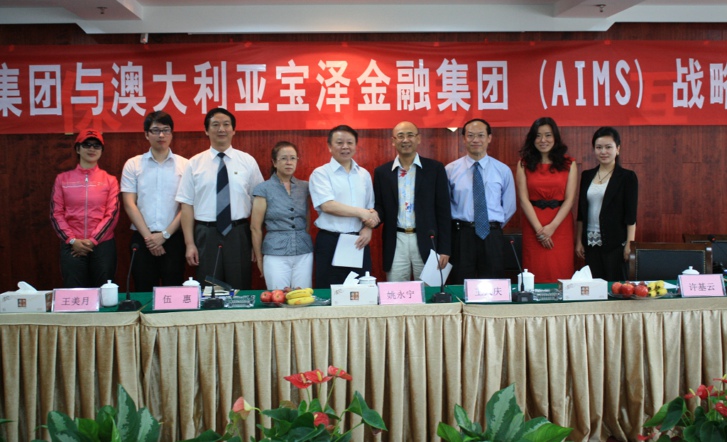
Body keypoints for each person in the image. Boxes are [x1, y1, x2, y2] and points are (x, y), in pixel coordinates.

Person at [175, 107, 264, 290]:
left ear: (233, 130)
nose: (221, 129)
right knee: (209, 290)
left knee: (239, 287)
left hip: (239, 233)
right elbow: (187, 205)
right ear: (206, 131)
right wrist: (189, 244)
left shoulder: (247, 161)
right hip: (206, 234)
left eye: (226, 124)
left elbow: (259, 203)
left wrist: (256, 244)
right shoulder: (194, 163)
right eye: (215, 125)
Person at [373, 121, 451, 282]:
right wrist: (370, 218)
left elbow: (443, 211)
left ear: (418, 138)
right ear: (393, 141)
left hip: (427, 241)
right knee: (396, 291)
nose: (405, 140)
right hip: (396, 241)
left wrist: (444, 249)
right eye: (400, 136)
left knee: (429, 290)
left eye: (410, 135)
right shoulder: (382, 172)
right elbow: (379, 206)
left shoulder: (435, 169)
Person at [120, 111, 189, 292]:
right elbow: (129, 204)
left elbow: (187, 206)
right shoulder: (133, 164)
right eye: (156, 130)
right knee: (143, 290)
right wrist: (149, 239)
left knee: (173, 293)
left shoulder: (185, 165)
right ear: (146, 134)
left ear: (172, 134)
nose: (161, 135)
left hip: (173, 239)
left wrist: (164, 235)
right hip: (142, 238)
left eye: (166, 130)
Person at [445, 118, 516, 283]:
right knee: (460, 282)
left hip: (492, 235)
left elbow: (509, 206)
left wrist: (490, 225)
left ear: (489, 138)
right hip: (461, 235)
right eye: (470, 135)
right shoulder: (450, 170)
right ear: (464, 139)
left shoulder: (502, 170)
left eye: (480, 135)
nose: (475, 140)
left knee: (493, 284)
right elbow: (445, 206)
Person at [309, 125, 379, 288]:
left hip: (358, 241)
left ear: (356, 145)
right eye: (339, 142)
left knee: (360, 291)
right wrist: (361, 212)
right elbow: (327, 205)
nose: (345, 147)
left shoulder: (364, 174)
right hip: (330, 241)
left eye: (350, 142)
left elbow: (370, 208)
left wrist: (368, 228)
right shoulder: (321, 173)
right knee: (330, 290)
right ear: (329, 146)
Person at [51, 129, 120, 288]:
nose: (92, 149)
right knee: (75, 293)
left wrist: (92, 241)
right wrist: (72, 240)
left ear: (101, 150)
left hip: (102, 244)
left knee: (104, 293)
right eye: (86, 145)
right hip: (72, 245)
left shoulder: (110, 180)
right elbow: (56, 214)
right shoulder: (62, 179)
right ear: (77, 149)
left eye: (96, 146)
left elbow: (112, 214)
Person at [516, 117, 577, 283]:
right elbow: (523, 199)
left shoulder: (569, 163)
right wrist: (540, 231)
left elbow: (570, 200)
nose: (543, 140)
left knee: (561, 270)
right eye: (538, 136)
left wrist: (552, 227)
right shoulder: (523, 164)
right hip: (533, 224)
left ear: (555, 137)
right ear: (532, 139)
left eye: (548, 135)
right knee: (535, 270)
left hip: (560, 225)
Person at [576, 126, 638, 282]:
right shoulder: (587, 175)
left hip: (615, 244)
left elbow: (631, 216)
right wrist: (579, 241)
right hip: (590, 243)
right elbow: (581, 213)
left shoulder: (627, 177)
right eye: (599, 147)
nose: (603, 151)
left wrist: (629, 244)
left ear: (618, 149)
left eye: (608, 147)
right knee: (594, 287)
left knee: (615, 287)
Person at [250, 141, 314, 290]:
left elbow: (307, 219)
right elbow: (255, 227)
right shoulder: (263, 188)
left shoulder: (305, 187)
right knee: (277, 296)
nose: (289, 162)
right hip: (275, 252)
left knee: (303, 296)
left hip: (303, 252)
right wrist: (259, 258)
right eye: (284, 158)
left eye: (293, 158)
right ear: (274, 162)